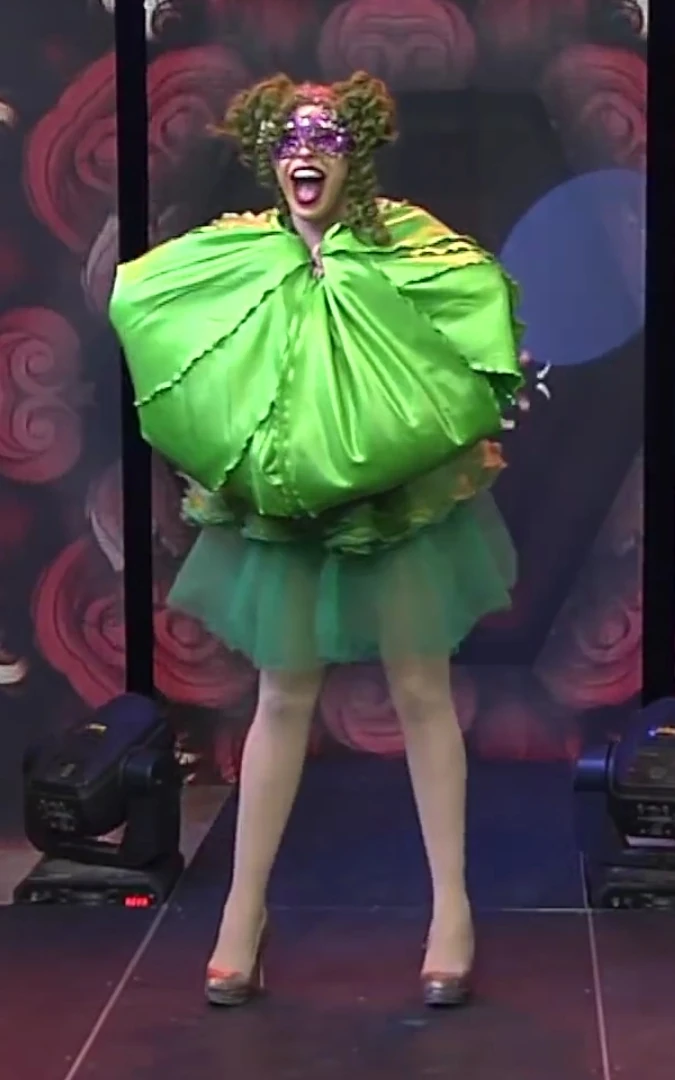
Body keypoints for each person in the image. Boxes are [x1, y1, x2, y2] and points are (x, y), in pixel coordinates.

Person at [109, 71, 524, 1009]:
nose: (307, 156)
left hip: (396, 502)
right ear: (268, 157)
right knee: (283, 694)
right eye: (291, 143)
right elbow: (147, 302)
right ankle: (241, 914)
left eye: (327, 141)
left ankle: (450, 910)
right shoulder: (242, 249)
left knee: (420, 689)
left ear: (355, 156)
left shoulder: (398, 241)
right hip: (286, 506)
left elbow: (474, 301)